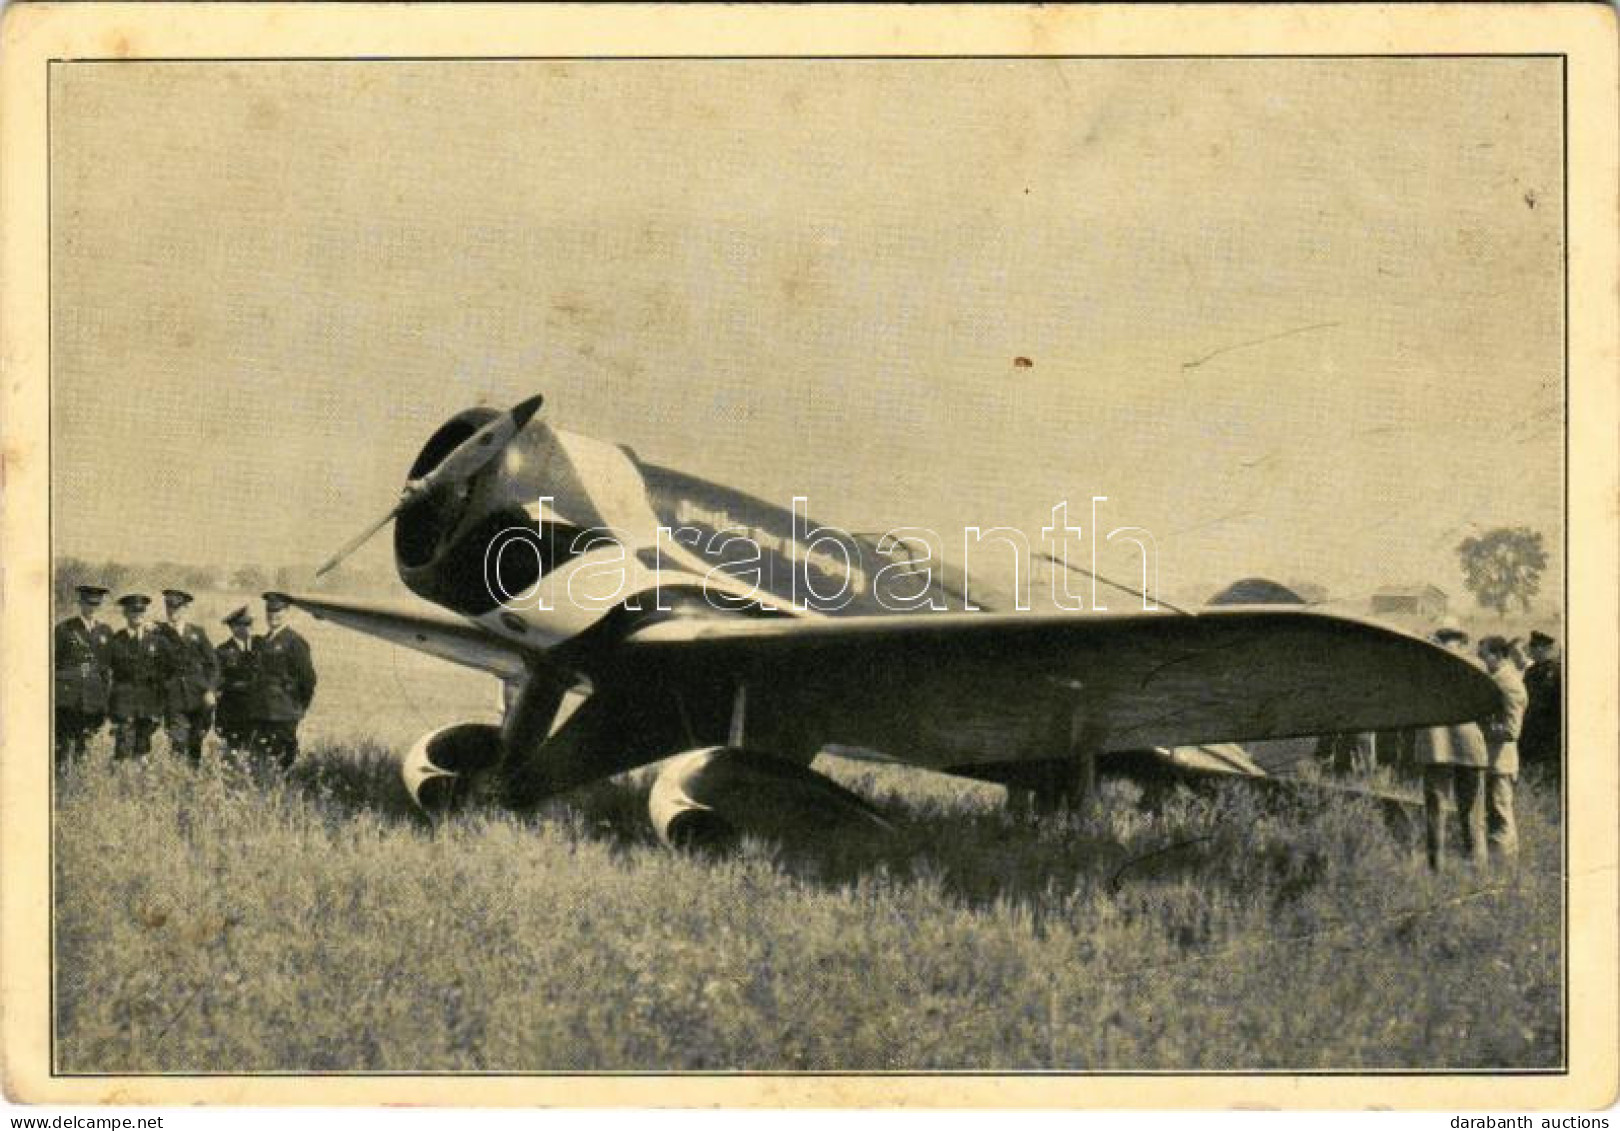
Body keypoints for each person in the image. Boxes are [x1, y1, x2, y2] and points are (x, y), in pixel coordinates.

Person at [1415, 625, 1489, 870]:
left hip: (1436, 745)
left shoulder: (1424, 666)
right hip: (1469, 743)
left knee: (1436, 811)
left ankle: (1436, 868)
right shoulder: (1476, 665)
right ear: (1463, 640)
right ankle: (1477, 867)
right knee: (1472, 812)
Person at [1476, 635, 1527, 863]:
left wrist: (1479, 731)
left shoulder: (1509, 683)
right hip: (1492, 760)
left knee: (1500, 813)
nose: (1482, 660)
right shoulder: (1500, 678)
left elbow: (1511, 730)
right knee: (1495, 812)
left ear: (1497, 655)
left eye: (1484, 655)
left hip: (1500, 761)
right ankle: (1502, 861)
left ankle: (1503, 864)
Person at [253, 592, 316, 770]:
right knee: (261, 758)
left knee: (282, 759)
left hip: (284, 711)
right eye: (269, 611)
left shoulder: (295, 642)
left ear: (287, 611)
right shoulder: (263, 641)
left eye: (278, 610)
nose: (273, 615)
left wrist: (298, 706)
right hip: (262, 710)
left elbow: (308, 679)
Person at [157, 589, 220, 765]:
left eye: (176, 608)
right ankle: (177, 780)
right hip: (174, 697)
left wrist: (210, 690)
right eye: (168, 607)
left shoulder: (197, 633)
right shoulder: (159, 633)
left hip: (198, 696)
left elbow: (213, 664)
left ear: (185, 608)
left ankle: (191, 783)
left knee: (195, 743)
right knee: (177, 742)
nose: (172, 611)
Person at [53, 584, 113, 764]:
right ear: (80, 603)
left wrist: (105, 697)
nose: (92, 609)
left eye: (96, 605)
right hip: (68, 697)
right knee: (63, 744)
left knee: (84, 744)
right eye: (88, 604)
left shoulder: (105, 631)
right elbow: (55, 663)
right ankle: (61, 780)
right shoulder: (64, 629)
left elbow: (106, 666)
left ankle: (79, 781)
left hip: (93, 697)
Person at [107, 594, 167, 760]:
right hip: (123, 703)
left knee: (143, 750)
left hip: (148, 704)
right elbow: (107, 671)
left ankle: (139, 784)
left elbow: (167, 670)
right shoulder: (117, 640)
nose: (137, 615)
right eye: (133, 611)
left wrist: (160, 705)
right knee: (123, 750)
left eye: (141, 611)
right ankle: (121, 783)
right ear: (125, 614)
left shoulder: (156, 640)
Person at [214, 605, 259, 760]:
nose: (249, 628)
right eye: (245, 625)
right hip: (233, 714)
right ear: (233, 627)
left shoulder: (260, 647)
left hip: (257, 714)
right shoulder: (223, 651)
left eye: (250, 624)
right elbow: (218, 683)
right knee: (233, 755)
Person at [1520, 630, 1562, 787]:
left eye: (1534, 647)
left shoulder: (1558, 672)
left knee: (1547, 771)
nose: (1530, 651)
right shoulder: (1530, 672)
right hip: (1531, 729)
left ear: (1543, 649)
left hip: (1549, 732)